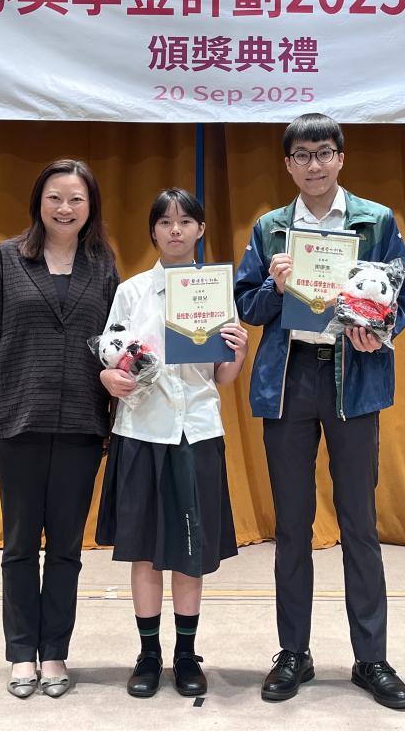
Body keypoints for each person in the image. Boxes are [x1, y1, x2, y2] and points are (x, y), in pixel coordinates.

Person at [234, 114, 405, 711]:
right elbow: (246, 306)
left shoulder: (376, 220)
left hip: (353, 379)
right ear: (288, 164)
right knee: (292, 524)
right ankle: (294, 652)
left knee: (360, 521)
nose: (313, 165)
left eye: (323, 153)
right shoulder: (270, 228)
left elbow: (403, 296)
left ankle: (371, 658)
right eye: (302, 155)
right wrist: (274, 286)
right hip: (290, 380)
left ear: (341, 157)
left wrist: (377, 330)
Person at [0, 158, 119, 700]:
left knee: (67, 547)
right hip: (17, 420)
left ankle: (55, 654)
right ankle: (22, 652)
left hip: (82, 425)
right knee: (20, 545)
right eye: (55, 198)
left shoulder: (103, 266)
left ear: (90, 207)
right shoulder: (6, 259)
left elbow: (117, 344)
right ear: (38, 203)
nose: (65, 208)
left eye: (76, 199)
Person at [96, 188, 249, 699]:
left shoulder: (217, 291)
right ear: (153, 232)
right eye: (165, 221)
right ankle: (148, 655)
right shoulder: (132, 291)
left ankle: (185, 654)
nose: (176, 229)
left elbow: (223, 377)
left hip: (197, 431)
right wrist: (110, 376)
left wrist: (239, 351)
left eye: (186, 221)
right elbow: (112, 356)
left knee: (189, 551)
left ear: (201, 229)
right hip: (141, 431)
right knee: (143, 552)